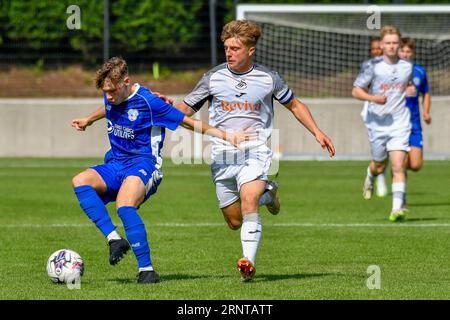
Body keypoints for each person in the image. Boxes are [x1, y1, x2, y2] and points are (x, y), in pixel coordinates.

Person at [176, 20, 335, 281]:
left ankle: (247, 263)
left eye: (235, 48)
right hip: (221, 155)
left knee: (248, 198)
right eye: (227, 48)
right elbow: (181, 114)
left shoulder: (268, 78)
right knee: (234, 221)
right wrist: (165, 109)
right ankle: (269, 194)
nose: (229, 53)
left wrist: (317, 132)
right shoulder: (213, 78)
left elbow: (294, 105)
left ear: (251, 51)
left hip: (256, 151)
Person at [71, 57, 251, 284]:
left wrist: (228, 136)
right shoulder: (112, 96)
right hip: (115, 163)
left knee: (124, 207)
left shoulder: (150, 102)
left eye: (112, 91)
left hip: (144, 165)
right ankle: (114, 239)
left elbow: (188, 122)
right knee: (80, 181)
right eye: (105, 91)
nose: (108, 96)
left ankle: (146, 270)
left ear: (126, 82)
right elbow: (108, 107)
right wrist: (89, 119)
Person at [352, 26, 413, 222]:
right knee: (379, 164)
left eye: (395, 43)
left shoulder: (407, 66)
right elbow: (356, 90)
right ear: (382, 45)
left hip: (399, 122)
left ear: (399, 44)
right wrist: (372, 98)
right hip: (376, 123)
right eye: (388, 43)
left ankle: (396, 209)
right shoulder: (373, 66)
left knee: (397, 166)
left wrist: (410, 90)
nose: (392, 46)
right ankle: (370, 176)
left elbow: (407, 84)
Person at [359, 38, 388, 198]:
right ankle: (377, 175)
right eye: (374, 49)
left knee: (391, 148)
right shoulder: (367, 66)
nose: (376, 51)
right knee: (380, 145)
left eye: (379, 48)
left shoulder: (395, 66)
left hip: (391, 110)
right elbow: (361, 87)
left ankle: (380, 175)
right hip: (371, 110)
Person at [398, 37, 432, 174]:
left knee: (416, 165)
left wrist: (426, 112)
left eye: (408, 51)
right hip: (398, 123)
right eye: (403, 51)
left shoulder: (420, 71)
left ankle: (396, 168)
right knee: (401, 163)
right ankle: (398, 180)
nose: (405, 54)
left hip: (415, 123)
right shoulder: (392, 72)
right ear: (398, 52)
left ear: (412, 53)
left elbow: (426, 92)